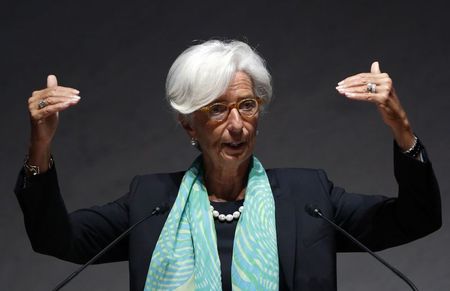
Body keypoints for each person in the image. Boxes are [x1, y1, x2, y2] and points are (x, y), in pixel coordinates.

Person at [15, 40, 441, 291]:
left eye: (247, 105)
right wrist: (41, 145)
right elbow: (57, 239)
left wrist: (400, 127)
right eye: (217, 109)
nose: (236, 125)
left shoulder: (308, 196)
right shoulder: (150, 203)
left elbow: (416, 219)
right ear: (190, 127)